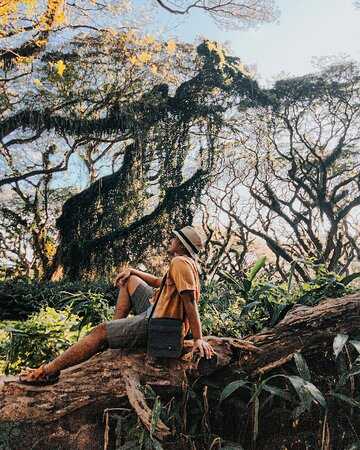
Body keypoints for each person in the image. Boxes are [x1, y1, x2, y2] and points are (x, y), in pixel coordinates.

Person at [19, 225, 214, 385]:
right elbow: (157, 282)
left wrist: (198, 339)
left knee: (100, 331)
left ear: (180, 244)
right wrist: (133, 270)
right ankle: (115, 335)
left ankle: (47, 371)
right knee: (129, 279)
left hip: (158, 323)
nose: (170, 241)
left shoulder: (180, 263)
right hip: (155, 309)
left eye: (174, 238)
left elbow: (190, 302)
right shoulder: (182, 262)